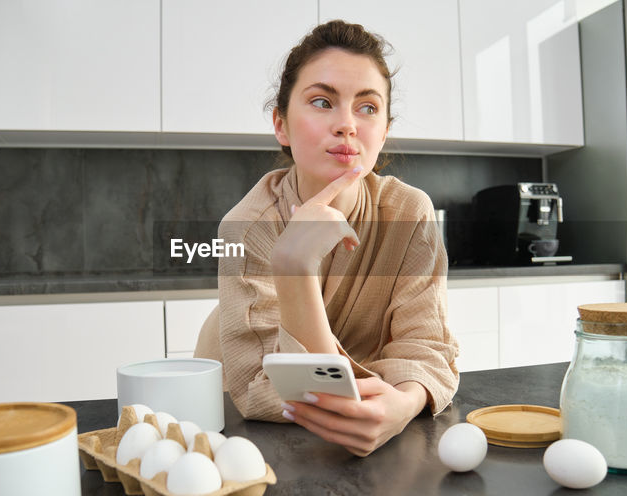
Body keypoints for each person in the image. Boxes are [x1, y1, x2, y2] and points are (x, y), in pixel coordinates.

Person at [194, 20, 459, 457]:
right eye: (322, 102)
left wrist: (404, 402)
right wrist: (294, 266)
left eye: (368, 108)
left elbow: (428, 347)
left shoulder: (410, 214)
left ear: (385, 130)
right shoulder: (247, 227)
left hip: (369, 416)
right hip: (250, 432)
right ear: (281, 125)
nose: (347, 125)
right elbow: (264, 390)